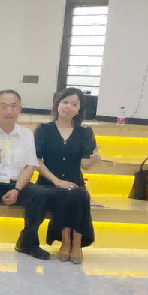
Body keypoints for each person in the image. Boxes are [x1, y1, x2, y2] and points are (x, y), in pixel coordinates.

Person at [0, 89, 52, 260]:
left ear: (20, 109)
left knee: (40, 194)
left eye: (13, 106)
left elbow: (30, 166)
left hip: (14, 182)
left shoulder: (27, 134)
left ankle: (27, 241)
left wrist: (17, 189)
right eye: (4, 106)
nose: (9, 111)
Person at [34, 87, 99, 264]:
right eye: (65, 102)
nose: (69, 107)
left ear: (79, 109)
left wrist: (93, 159)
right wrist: (57, 181)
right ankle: (66, 242)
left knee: (80, 194)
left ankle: (77, 244)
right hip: (48, 181)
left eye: (74, 104)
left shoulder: (85, 132)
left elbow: (85, 165)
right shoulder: (43, 129)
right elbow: (36, 162)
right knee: (65, 193)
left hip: (74, 181)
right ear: (57, 104)